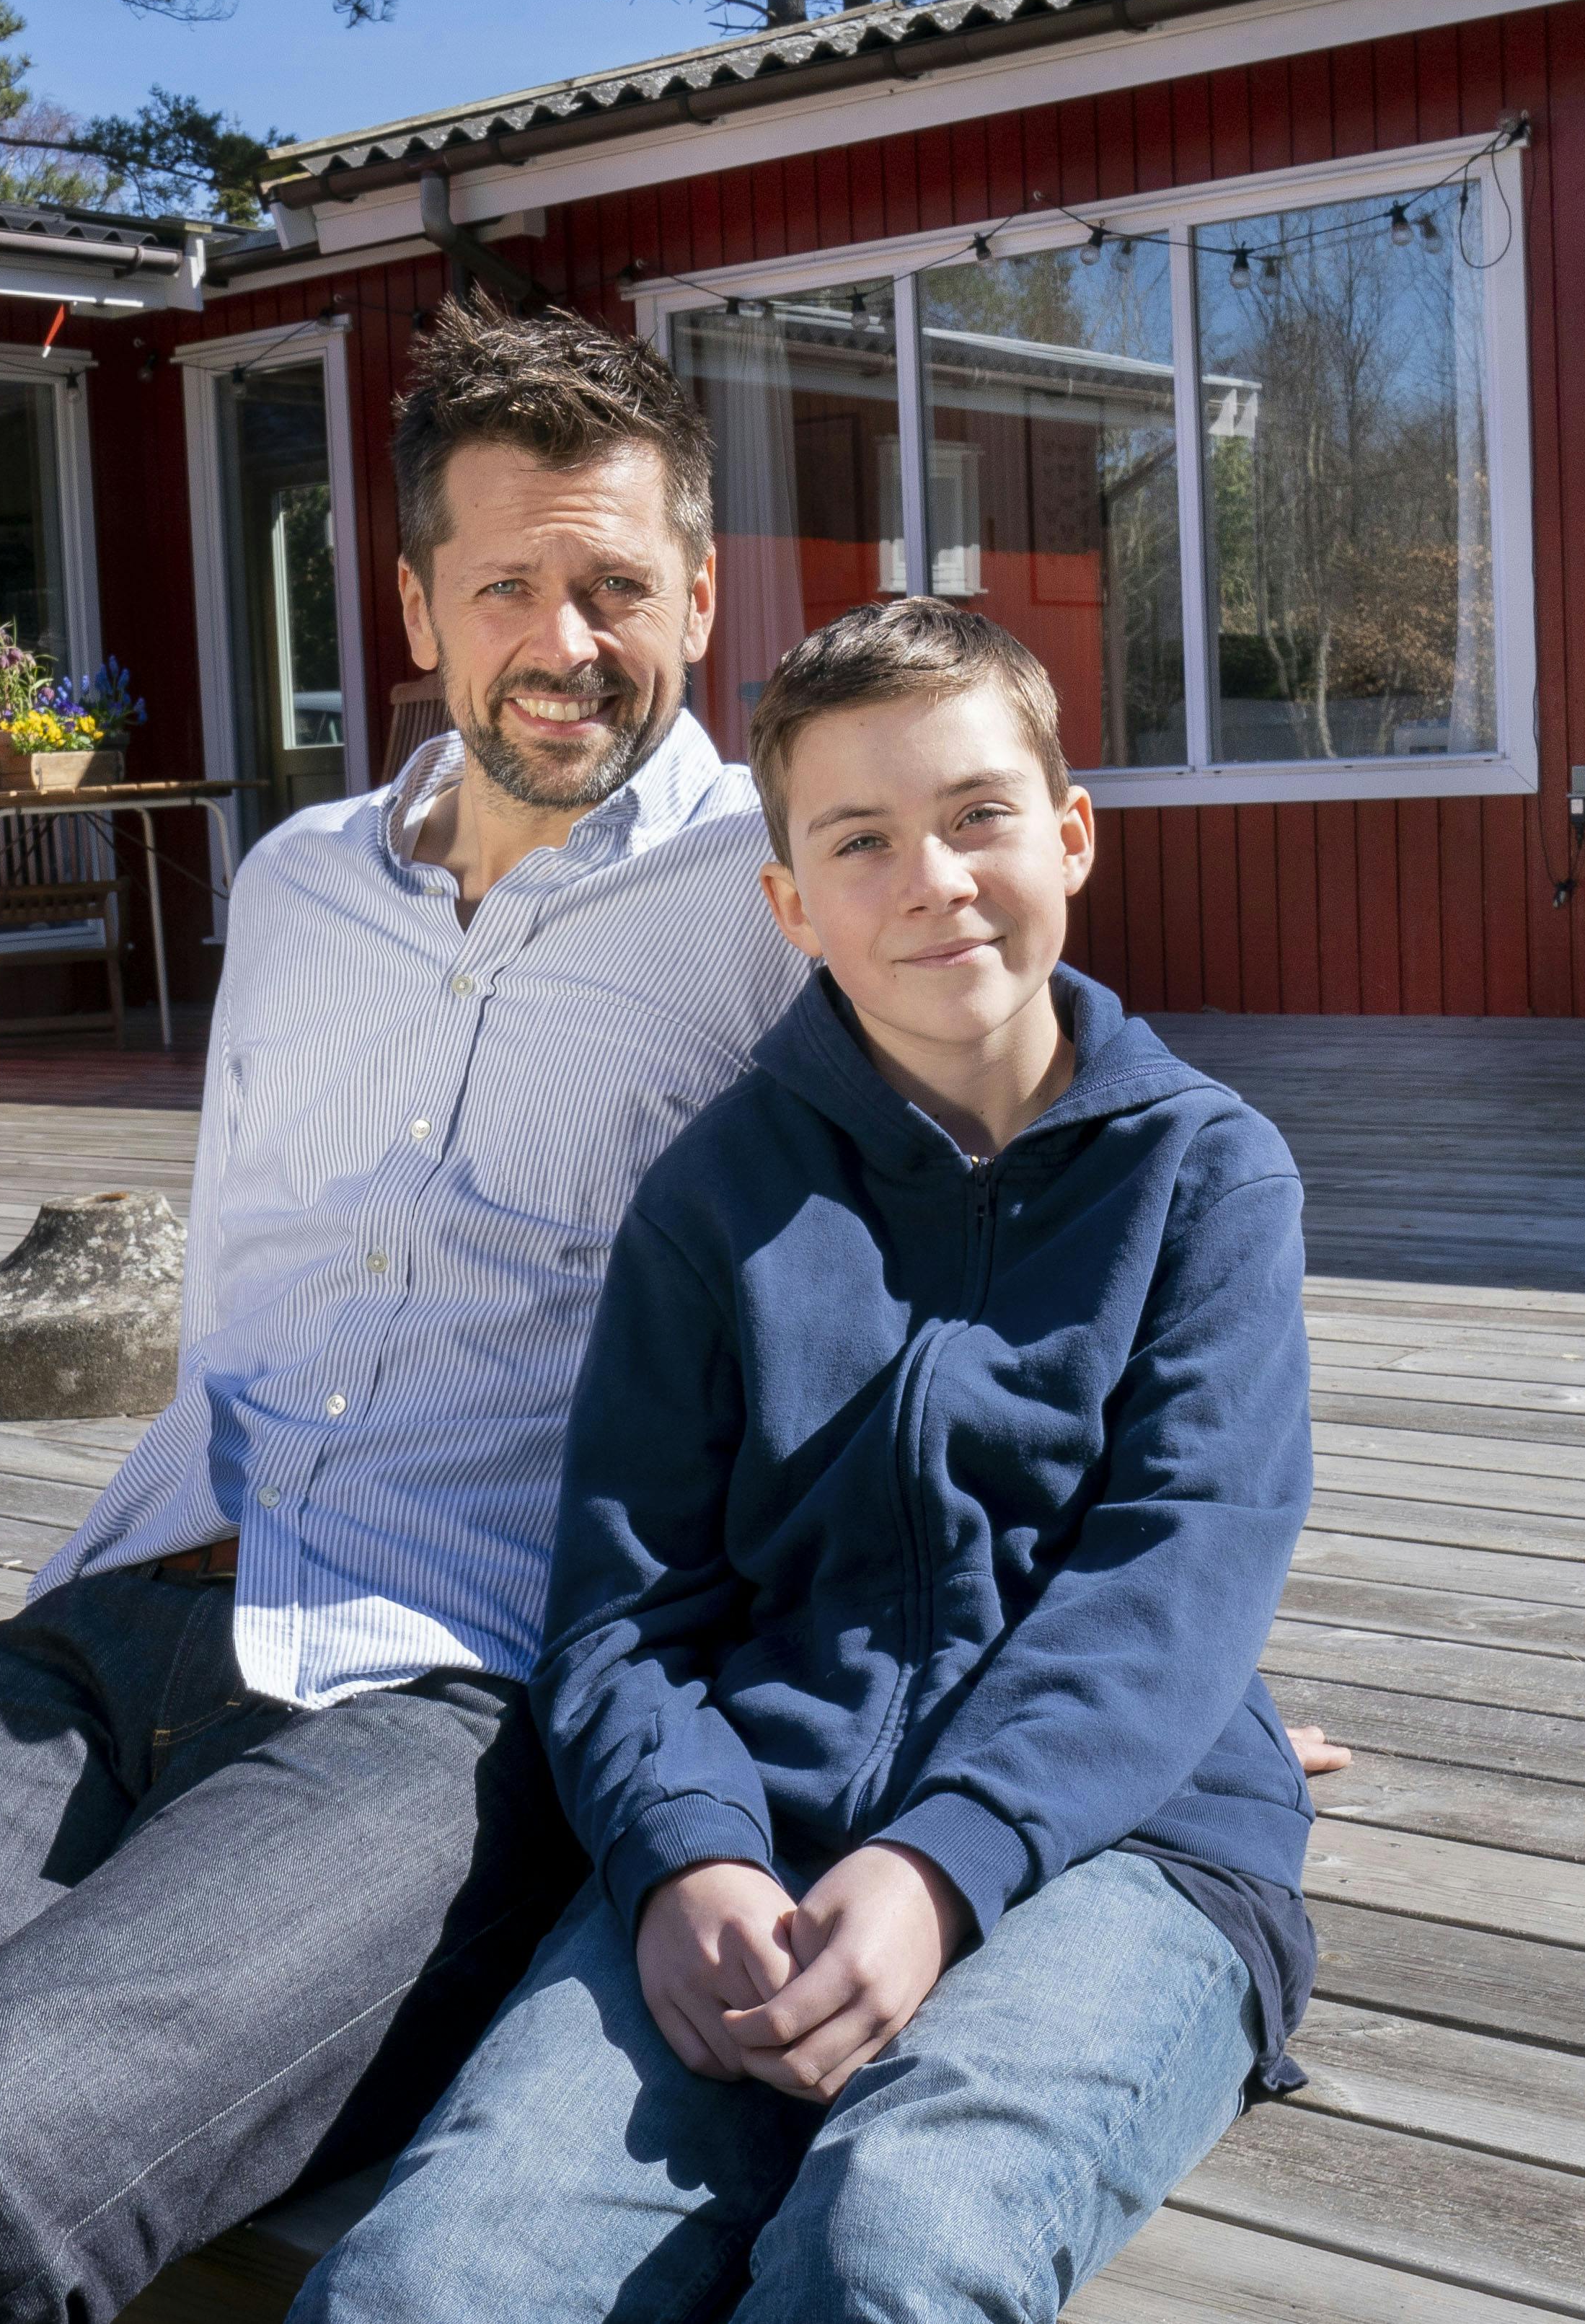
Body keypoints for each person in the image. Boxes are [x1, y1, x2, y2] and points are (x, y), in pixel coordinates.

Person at [0, 304, 1332, 2324]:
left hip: (446, 1678)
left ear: (699, 593)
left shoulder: (782, 879)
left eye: (618, 583)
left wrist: (1166, 1708)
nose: (566, 636)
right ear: (413, 595)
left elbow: (1004, 1178)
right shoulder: (293, 884)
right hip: (116, 1617)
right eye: (506, 579)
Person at [295, 598, 1317, 2324]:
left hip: (1121, 1848)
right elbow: (623, 1606)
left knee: (891, 2243)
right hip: (752, 1837)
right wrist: (682, 1851)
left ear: (1069, 833)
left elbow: (1179, 1569)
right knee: (432, 2284)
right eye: (862, 841)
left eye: (979, 814)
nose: (932, 878)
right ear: (789, 904)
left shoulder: (1207, 1179)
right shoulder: (715, 1200)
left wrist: (942, 1862)